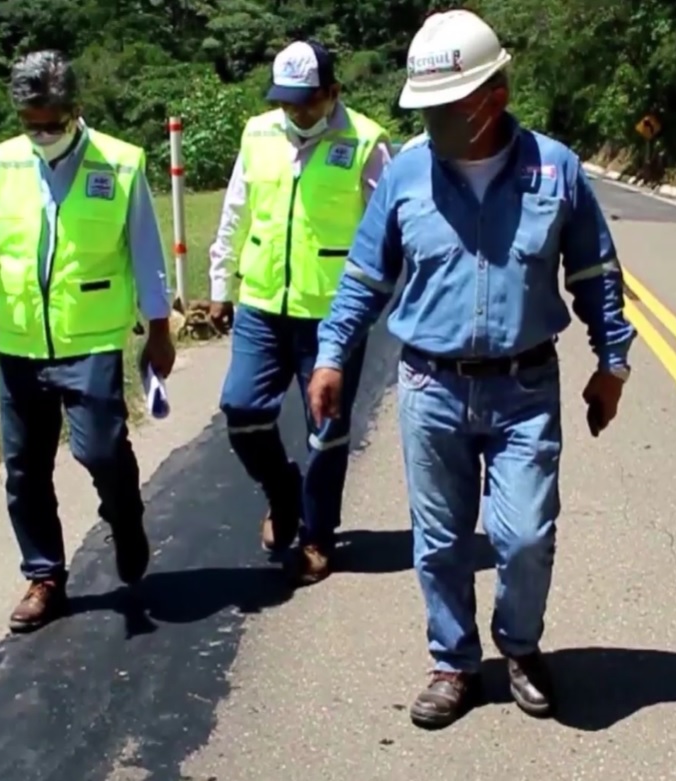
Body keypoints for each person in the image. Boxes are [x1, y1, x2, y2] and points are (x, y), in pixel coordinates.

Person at [309, 10, 634, 728]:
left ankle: (518, 645)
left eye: (444, 106)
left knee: (521, 536)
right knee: (441, 540)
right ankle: (452, 661)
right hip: (430, 386)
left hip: (524, 389)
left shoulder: (555, 169)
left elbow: (595, 275)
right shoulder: (405, 175)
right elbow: (364, 277)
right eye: (422, 108)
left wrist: (612, 362)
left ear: (494, 95)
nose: (431, 122)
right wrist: (332, 353)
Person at [0, 50, 176, 632]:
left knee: (99, 450)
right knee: (24, 469)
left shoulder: (120, 164)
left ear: (76, 109)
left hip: (91, 338)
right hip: (20, 343)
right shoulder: (2, 164)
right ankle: (44, 575)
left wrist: (160, 329)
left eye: (52, 120)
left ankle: (124, 516)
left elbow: (146, 252)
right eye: (31, 122)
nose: (42, 131)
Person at [207, 40, 392, 584]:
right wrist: (221, 284)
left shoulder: (365, 142)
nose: (295, 113)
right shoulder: (258, 134)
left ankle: (317, 534)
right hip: (262, 305)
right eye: (286, 102)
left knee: (326, 430)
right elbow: (234, 212)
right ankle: (283, 492)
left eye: (306, 102)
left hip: (333, 315)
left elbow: (387, 230)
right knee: (241, 410)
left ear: (333, 92)